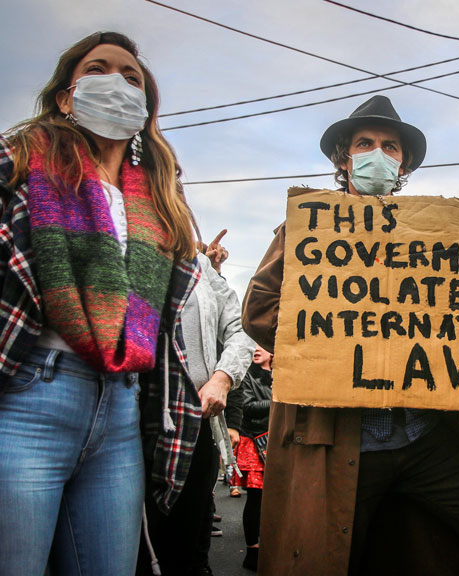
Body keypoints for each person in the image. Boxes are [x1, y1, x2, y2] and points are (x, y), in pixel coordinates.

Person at [242, 95, 459, 576]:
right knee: (337, 559)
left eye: (391, 147)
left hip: (426, 434)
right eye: (366, 143)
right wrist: (328, 326)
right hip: (344, 441)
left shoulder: (439, 236)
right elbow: (258, 311)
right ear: (344, 159)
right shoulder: (309, 228)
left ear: (403, 164)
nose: (378, 154)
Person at [0, 32, 199, 576]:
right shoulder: (18, 164)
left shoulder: (162, 199)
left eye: (131, 77)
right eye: (97, 69)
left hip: (121, 411)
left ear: (145, 108)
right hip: (28, 397)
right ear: (66, 96)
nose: (116, 83)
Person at [138, 232, 255, 576]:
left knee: (189, 545)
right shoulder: (124, 246)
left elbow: (241, 326)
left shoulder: (202, 266)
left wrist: (223, 377)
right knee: (137, 545)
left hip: (198, 424)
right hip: (135, 420)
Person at [225, 344, 274, 572]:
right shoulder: (245, 375)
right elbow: (247, 406)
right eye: (253, 345)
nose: (256, 349)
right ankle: (252, 550)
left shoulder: (281, 374)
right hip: (255, 440)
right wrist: (277, 401)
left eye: (261, 346)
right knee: (256, 498)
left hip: (277, 441)